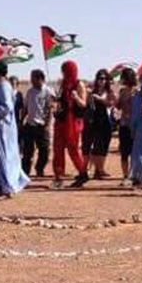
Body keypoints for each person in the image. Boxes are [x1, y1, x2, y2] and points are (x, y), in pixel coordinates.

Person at [0, 62, 28, 199]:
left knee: (3, 157)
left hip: (2, 130)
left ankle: (6, 188)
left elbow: (6, 107)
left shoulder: (3, 86)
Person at [52, 60, 89, 189]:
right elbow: (60, 100)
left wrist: (75, 97)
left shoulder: (79, 84)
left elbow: (83, 104)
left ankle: (82, 173)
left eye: (65, 70)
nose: (63, 73)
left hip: (73, 122)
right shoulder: (62, 84)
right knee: (58, 148)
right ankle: (59, 176)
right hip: (61, 120)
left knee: (73, 148)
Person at [20, 69, 52, 177]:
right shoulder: (30, 92)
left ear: (40, 79)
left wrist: (47, 124)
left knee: (45, 150)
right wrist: (21, 121)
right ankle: (25, 172)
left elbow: (50, 109)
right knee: (27, 151)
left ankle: (39, 168)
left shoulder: (47, 91)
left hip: (41, 126)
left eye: (33, 78)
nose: (31, 80)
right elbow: (25, 108)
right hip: (30, 125)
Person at [85, 68, 116, 179]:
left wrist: (100, 99)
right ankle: (92, 169)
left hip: (106, 121)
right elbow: (87, 106)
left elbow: (112, 104)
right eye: (99, 78)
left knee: (104, 146)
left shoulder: (109, 92)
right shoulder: (92, 92)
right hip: (94, 121)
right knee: (95, 146)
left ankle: (100, 169)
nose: (101, 81)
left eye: (104, 79)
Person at [116, 68, 136, 185]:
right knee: (124, 152)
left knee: (134, 152)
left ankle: (133, 175)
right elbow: (118, 106)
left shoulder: (137, 91)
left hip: (134, 125)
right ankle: (126, 176)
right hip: (124, 124)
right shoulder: (122, 91)